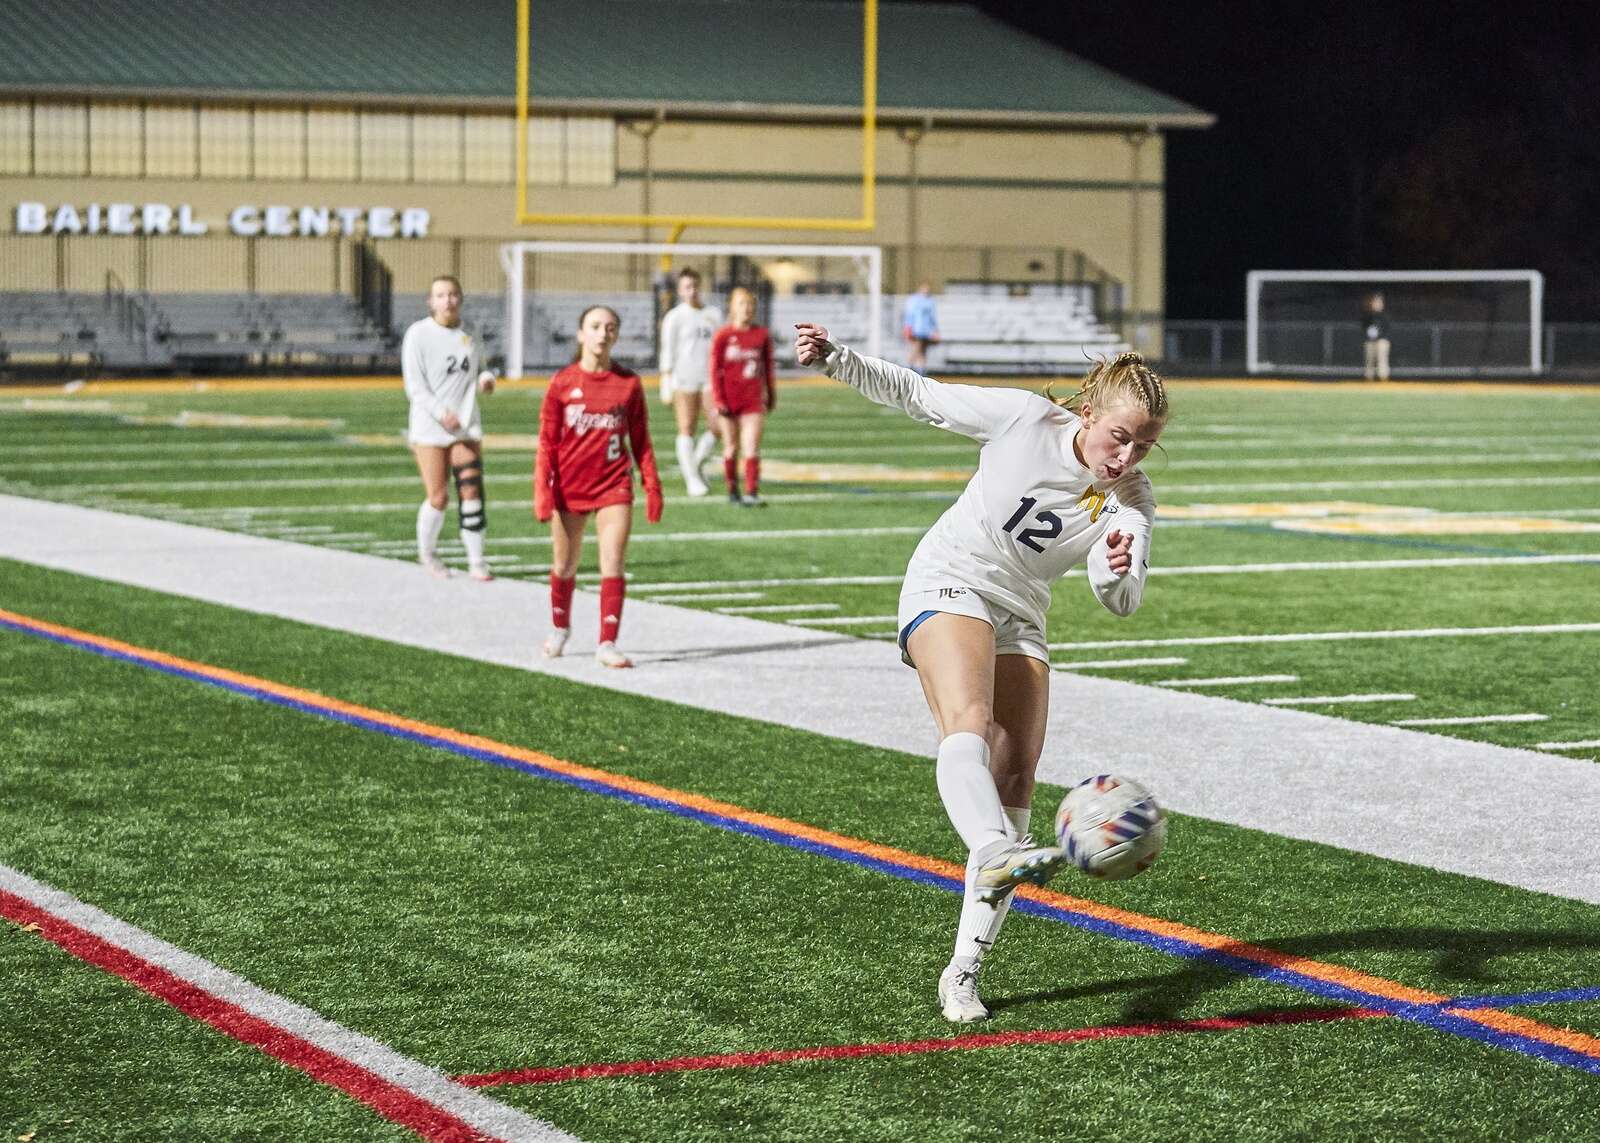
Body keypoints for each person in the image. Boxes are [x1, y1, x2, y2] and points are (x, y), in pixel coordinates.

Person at [794, 321, 1167, 1025]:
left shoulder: (1132, 499)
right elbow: (920, 394)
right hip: (950, 578)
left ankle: (963, 969)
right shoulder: (1024, 419)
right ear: (1088, 413)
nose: (1125, 457)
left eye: (1143, 446)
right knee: (972, 720)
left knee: (1016, 774)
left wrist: (1116, 568)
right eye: (1119, 437)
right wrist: (837, 359)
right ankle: (993, 848)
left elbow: (1119, 599)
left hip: (1021, 611)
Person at [534, 305, 664, 668]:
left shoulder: (628, 383)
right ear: (581, 334)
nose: (602, 333)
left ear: (616, 335)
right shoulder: (562, 382)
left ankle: (607, 642)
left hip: (613, 484)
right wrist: (542, 490)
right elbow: (546, 442)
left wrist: (652, 486)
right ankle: (560, 627)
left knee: (613, 561)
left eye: (610, 327)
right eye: (595, 326)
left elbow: (641, 441)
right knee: (564, 564)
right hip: (570, 486)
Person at [402, 274, 498, 580]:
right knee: (439, 496)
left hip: (465, 425)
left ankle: (477, 561)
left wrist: (486, 380)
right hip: (430, 427)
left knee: (472, 489)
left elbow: (481, 368)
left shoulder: (470, 333)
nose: (448, 301)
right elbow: (415, 386)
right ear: (431, 301)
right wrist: (441, 413)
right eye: (441, 295)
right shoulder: (418, 334)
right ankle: (428, 554)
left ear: (461, 298)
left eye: (453, 294)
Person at [657, 268, 723, 496]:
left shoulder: (714, 314)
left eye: (695, 286)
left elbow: (720, 346)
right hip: (684, 378)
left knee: (718, 426)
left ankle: (695, 463)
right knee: (687, 427)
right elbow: (668, 349)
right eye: (687, 287)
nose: (692, 291)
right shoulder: (674, 317)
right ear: (680, 290)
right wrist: (666, 380)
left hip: (710, 378)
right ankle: (692, 479)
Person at [710, 286, 776, 507]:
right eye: (741, 303)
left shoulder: (762, 335)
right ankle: (732, 490)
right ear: (732, 307)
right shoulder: (723, 335)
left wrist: (771, 394)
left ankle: (751, 492)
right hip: (728, 399)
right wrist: (718, 399)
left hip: (752, 400)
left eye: (750, 304)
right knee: (730, 447)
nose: (747, 308)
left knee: (751, 447)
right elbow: (714, 369)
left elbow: (768, 368)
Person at [902, 281, 940, 374]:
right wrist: (908, 328)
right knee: (916, 349)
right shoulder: (914, 300)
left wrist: (935, 330)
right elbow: (910, 315)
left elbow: (932, 318)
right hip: (916, 330)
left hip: (926, 331)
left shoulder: (930, 301)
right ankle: (907, 370)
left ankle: (921, 371)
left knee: (923, 351)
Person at [1363, 291, 1391, 381]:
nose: (1377, 304)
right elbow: (1364, 327)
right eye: (1375, 302)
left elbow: (1387, 329)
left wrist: (1380, 336)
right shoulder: (1368, 316)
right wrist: (1369, 336)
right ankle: (1369, 377)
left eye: (1379, 302)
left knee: (1382, 358)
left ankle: (1383, 377)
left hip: (1382, 340)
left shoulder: (1385, 316)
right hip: (1370, 340)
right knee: (1369, 359)